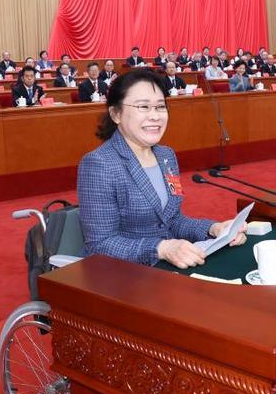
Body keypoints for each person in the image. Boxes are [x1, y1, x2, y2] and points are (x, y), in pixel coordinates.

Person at [76, 68, 246, 268]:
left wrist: (214, 229)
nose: (155, 116)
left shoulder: (166, 156)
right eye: (143, 107)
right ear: (116, 114)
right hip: (122, 274)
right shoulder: (99, 164)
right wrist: (161, 248)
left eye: (160, 107)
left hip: (166, 268)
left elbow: (173, 221)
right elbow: (100, 245)